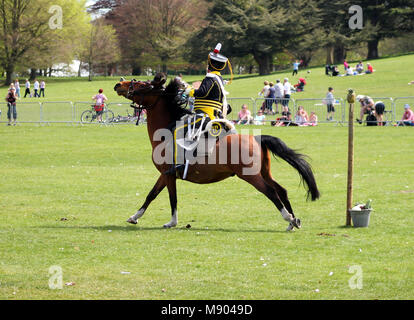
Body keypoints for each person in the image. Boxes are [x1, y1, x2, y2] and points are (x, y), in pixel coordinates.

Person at [168, 43, 234, 175]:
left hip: (205, 116)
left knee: (177, 130)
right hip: (215, 114)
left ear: (210, 64)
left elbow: (202, 92)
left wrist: (187, 89)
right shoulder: (219, 79)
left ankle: (179, 164)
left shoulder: (210, 78)